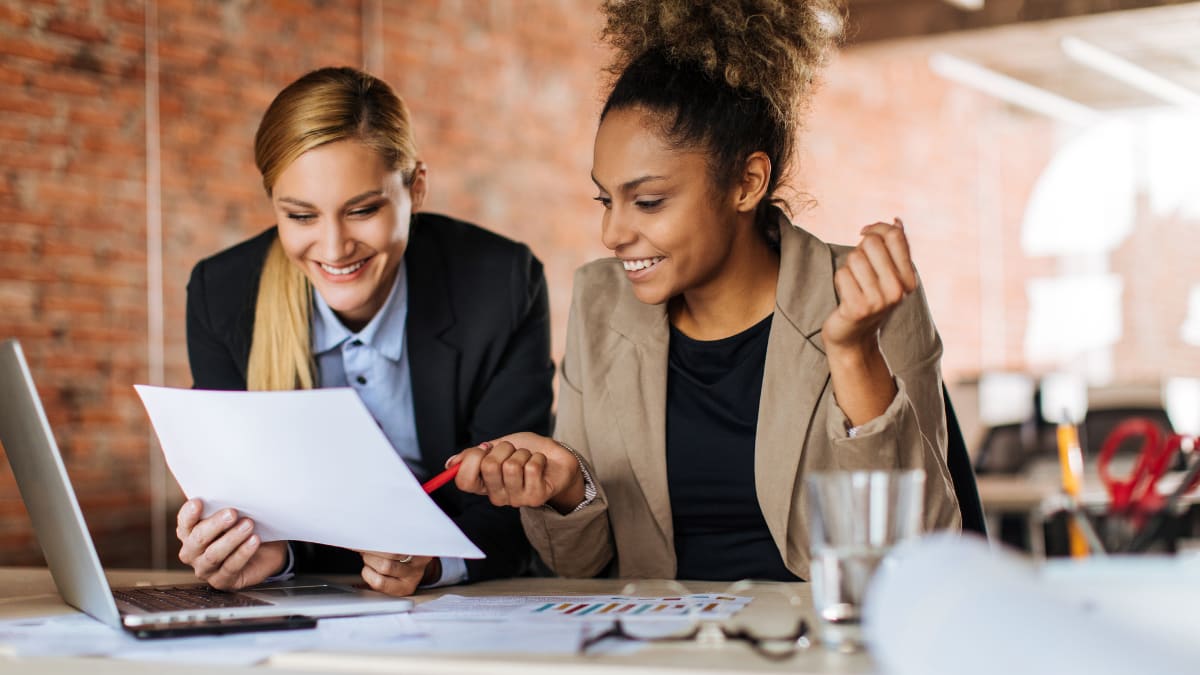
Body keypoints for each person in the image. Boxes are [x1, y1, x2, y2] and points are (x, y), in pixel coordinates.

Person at [449, 0, 961, 581]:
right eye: (605, 200)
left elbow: (920, 553)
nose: (613, 233)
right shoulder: (600, 301)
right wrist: (569, 491)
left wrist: (853, 353)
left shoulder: (866, 298)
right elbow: (575, 566)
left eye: (648, 201)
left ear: (747, 183)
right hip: (659, 654)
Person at [176, 67, 554, 595]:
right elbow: (246, 506)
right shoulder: (222, 294)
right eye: (301, 216)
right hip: (311, 601)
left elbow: (516, 507)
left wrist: (433, 564)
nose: (333, 249)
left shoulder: (500, 284)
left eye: (362, 210)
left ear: (415, 189)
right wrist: (256, 552)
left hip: (463, 600)